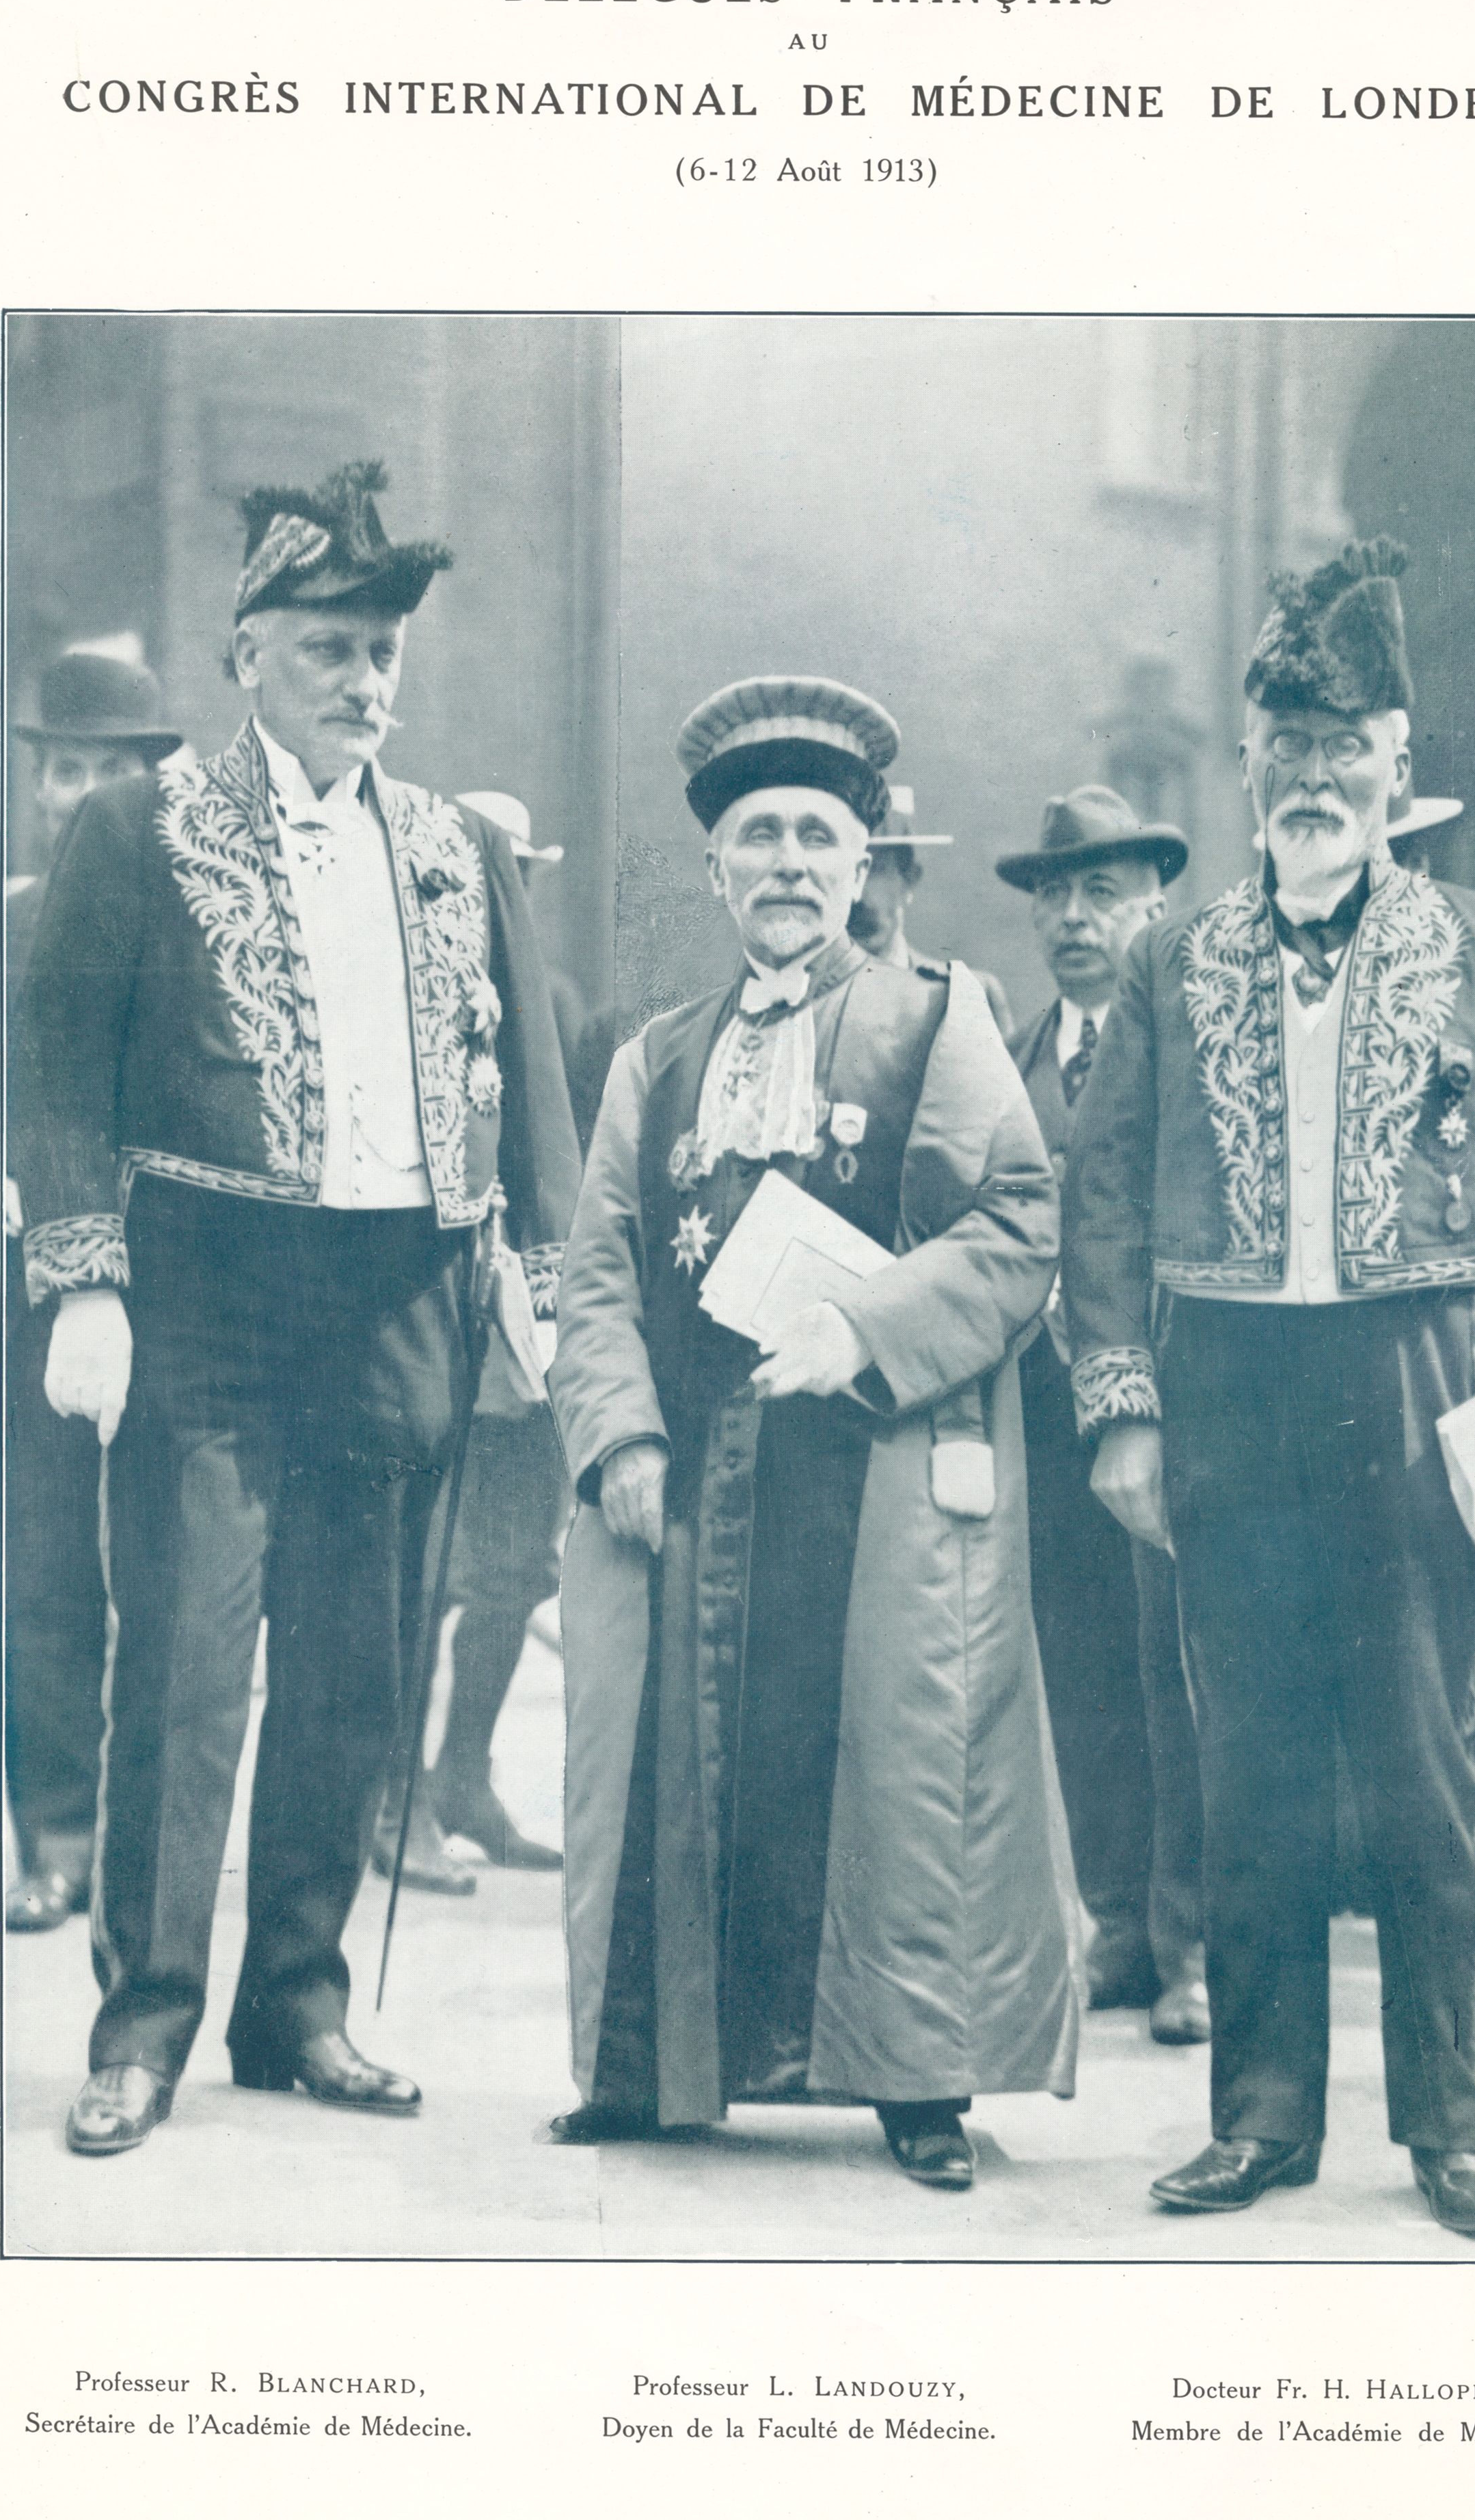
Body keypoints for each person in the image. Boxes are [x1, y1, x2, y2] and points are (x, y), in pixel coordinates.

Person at [1063, 539, 1475, 2240]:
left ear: (1396, 760)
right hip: (1226, 1384)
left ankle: (1452, 2126)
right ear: (1248, 766)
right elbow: (1103, 1195)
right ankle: (1258, 2117)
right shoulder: (1170, 960)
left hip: (1419, 1380)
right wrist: (1121, 1403)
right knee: (1245, 1764)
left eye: (1344, 749)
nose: (1313, 779)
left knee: (1430, 1765)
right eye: (1286, 750)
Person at [14, 462, 581, 2156]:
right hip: (203, 1300)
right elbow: (59, 1069)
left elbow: (531, 1085)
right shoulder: (139, 827)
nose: (363, 679)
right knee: (187, 1667)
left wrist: (548, 1282)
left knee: (351, 1670)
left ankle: (299, 2005)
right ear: (247, 651)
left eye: (383, 650)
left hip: (399, 1296)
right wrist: (85, 1279)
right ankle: (143, 2022)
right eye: (329, 646)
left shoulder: (457, 846)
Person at [547, 675, 1078, 2191]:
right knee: (666, 1766)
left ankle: (914, 2080)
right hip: (694, 1470)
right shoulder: (656, 1055)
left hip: (870, 1459)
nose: (787, 862)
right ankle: (655, 2068)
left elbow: (1018, 1219)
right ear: (717, 867)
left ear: (862, 863)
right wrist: (619, 1435)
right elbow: (598, 1263)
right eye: (759, 835)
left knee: (897, 1766)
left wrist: (864, 1328)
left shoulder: (934, 1018)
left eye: (817, 836)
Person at [997, 786, 1209, 2043]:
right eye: (1055, 897)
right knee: (1077, 1667)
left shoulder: (1197, 1043)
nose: (1074, 919)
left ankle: (1193, 1944)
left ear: (1156, 908)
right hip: (1042, 1407)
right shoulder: (1006, 1056)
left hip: (1167, 1400)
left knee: (1175, 1671)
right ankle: (1118, 1923)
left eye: (1104, 895)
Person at [3, 652, 185, 1931]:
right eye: (65, 770)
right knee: (46, 1557)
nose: (84, 795)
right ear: (36, 786)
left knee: (173, 1566)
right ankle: (57, 1833)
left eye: (113, 771)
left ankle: (157, 1841)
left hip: (172, 1282)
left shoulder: (192, 929)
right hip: (21, 1288)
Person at [372, 789, 577, 1890]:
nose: (505, 903)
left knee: (516, 1566)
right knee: (418, 1571)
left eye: (521, 880)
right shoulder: (392, 996)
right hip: (428, 1317)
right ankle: (393, 1800)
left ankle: (466, 1778)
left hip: (527, 1336)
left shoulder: (554, 1007)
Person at [848, 783, 1016, 1036]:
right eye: (848, 871)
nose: (859, 895)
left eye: (876, 870)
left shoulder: (964, 996)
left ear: (910, 880)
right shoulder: (800, 996)